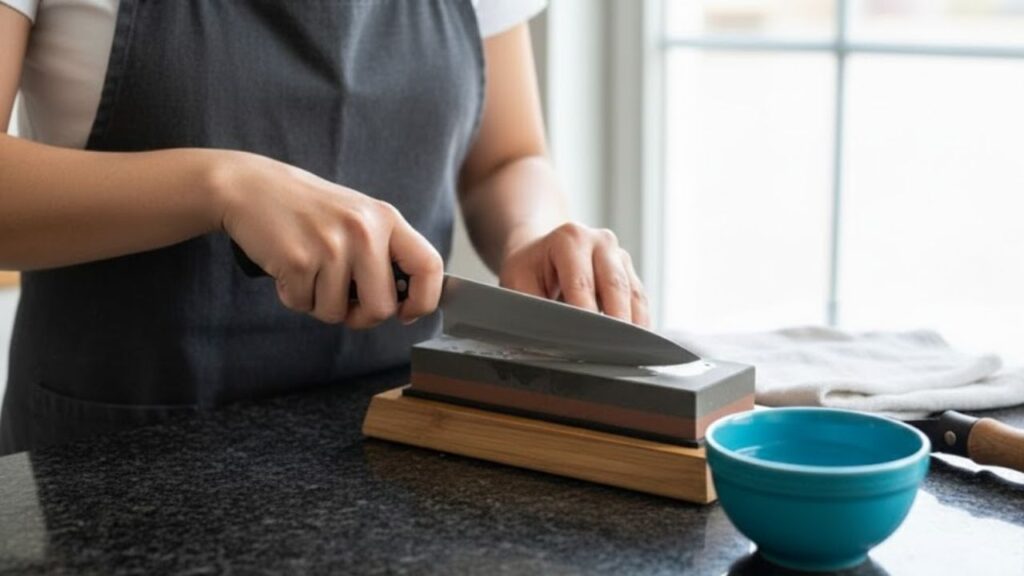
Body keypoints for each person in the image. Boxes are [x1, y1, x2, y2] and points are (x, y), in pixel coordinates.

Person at [0, 0, 649, 455]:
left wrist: (535, 232)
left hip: (400, 444)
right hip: (115, 462)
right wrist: (225, 185)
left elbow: (508, 158)